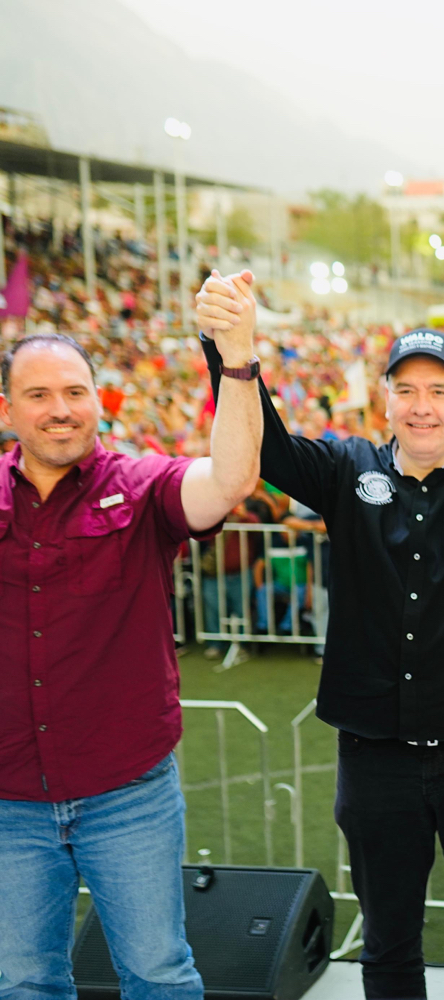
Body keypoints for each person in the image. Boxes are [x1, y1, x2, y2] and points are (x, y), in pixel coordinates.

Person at [197, 277, 444, 1000]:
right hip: (375, 757)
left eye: (438, 389)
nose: (422, 405)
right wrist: (230, 354)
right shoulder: (347, 469)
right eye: (406, 390)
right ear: (385, 401)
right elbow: (266, 448)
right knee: (388, 944)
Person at [0, 278, 262, 1000]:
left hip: (127, 793)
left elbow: (233, 478)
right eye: (40, 395)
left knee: (158, 974)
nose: (61, 410)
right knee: (23, 981)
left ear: (97, 400)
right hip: (9, 797)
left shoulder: (139, 485)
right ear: (8, 410)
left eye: (76, 392)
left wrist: (236, 359)